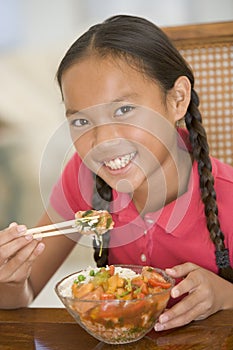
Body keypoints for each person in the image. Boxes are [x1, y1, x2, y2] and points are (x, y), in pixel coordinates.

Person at [0, 15, 232, 332]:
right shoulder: (83, 178)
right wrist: (10, 279)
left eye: (123, 110)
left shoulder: (227, 196)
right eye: (81, 121)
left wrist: (225, 295)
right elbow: (25, 292)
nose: (103, 141)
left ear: (177, 99)